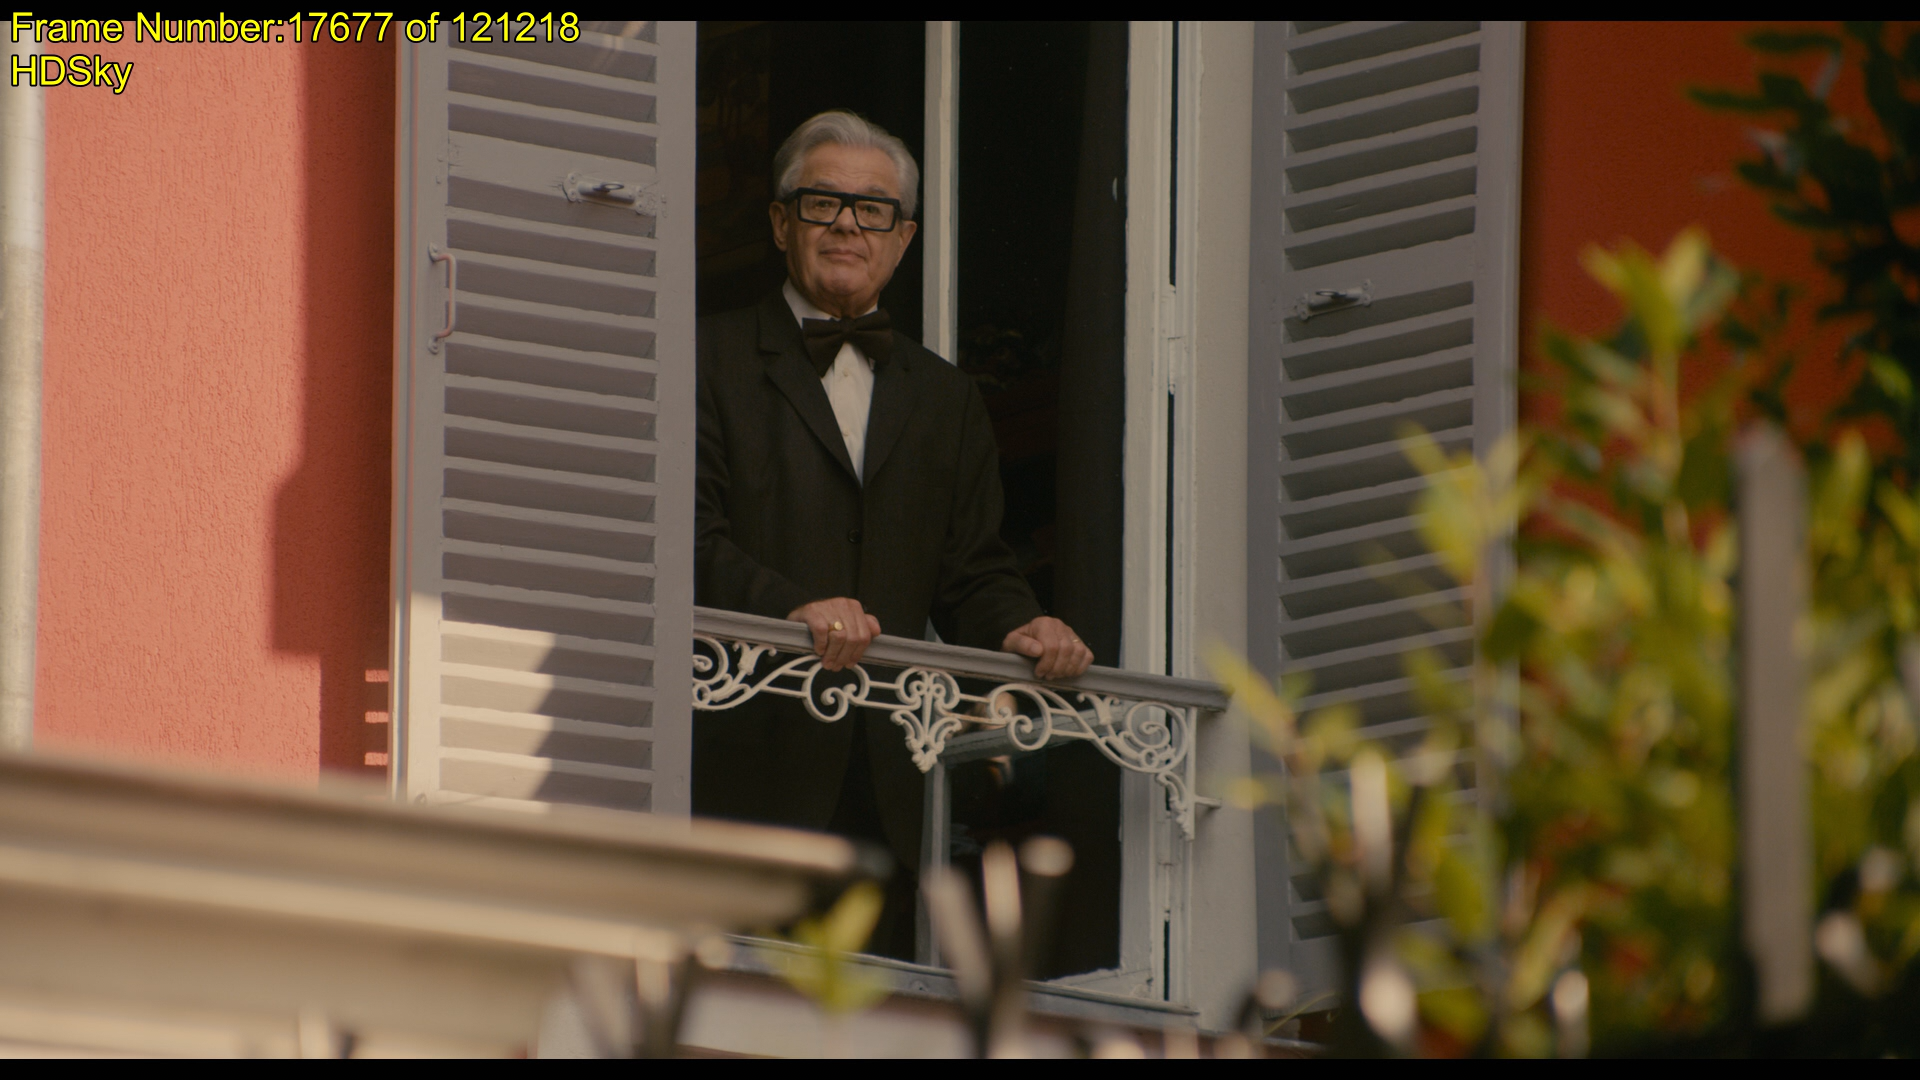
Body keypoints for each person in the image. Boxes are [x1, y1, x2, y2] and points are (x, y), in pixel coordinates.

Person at [693, 110, 1092, 959]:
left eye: (872, 209)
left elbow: (972, 569)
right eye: (822, 202)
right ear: (780, 223)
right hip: (740, 771)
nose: (847, 224)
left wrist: (1023, 624)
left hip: (889, 782)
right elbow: (686, 537)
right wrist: (792, 606)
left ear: (903, 238)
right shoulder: (706, 358)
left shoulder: (948, 398)